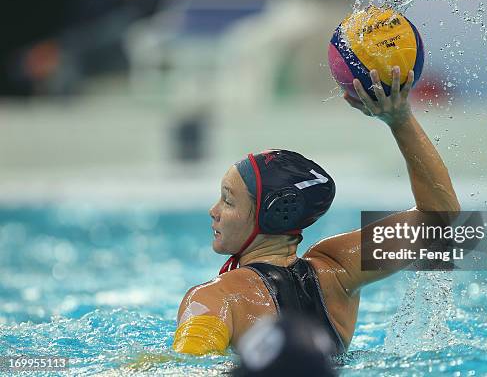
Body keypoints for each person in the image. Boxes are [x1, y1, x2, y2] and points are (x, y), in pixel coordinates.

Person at [173, 67, 461, 355]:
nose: (214, 211)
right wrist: (400, 120)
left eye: (228, 201)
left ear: (274, 213)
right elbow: (440, 218)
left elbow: (187, 369)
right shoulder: (338, 270)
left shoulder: (214, 298)